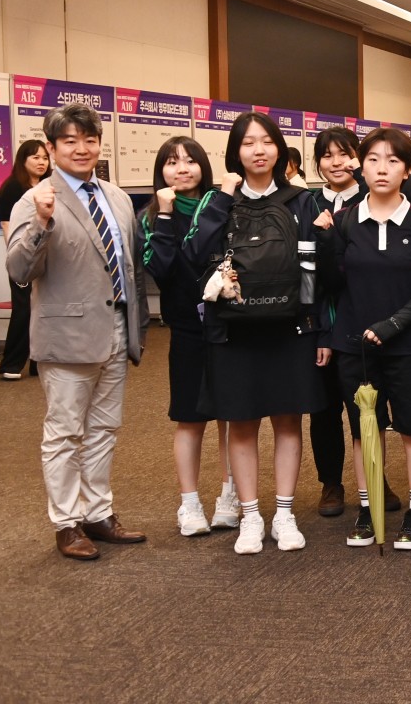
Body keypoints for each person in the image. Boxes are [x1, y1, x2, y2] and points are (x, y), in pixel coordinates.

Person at [6, 103, 149, 560]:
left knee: (104, 428)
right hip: (66, 337)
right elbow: (19, 270)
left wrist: (137, 326)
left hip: (116, 329)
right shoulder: (36, 199)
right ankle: (67, 523)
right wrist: (42, 223)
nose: (81, 148)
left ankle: (98, 513)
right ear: (51, 148)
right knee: (65, 432)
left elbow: (129, 266)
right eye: (69, 141)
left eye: (89, 140)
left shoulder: (117, 197)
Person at [185, 111, 328, 555]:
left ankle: (284, 513)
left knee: (288, 420)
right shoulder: (219, 200)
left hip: (291, 328)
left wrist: (317, 327)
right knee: (242, 423)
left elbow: (318, 272)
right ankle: (250, 515)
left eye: (267, 141)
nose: (259, 150)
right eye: (248, 143)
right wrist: (222, 197)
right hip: (234, 329)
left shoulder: (303, 201)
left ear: (280, 149)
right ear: (235, 152)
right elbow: (194, 254)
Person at [315, 128, 411, 550]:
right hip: (355, 344)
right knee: (364, 428)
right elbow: (333, 283)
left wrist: (393, 324)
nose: (382, 168)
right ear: (361, 166)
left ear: (407, 170)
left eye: (393, 160)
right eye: (373, 159)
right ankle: (368, 507)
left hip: (410, 344)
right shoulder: (345, 221)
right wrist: (326, 242)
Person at [143, 137, 238, 537]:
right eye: (171, 162)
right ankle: (190, 503)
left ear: (203, 166)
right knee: (190, 418)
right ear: (160, 171)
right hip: (185, 328)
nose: (181, 169)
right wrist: (165, 215)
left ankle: (231, 495)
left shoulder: (223, 203)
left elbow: (207, 252)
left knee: (232, 417)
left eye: (189, 161)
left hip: (228, 323)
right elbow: (162, 269)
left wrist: (222, 197)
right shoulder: (152, 216)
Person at [308, 126, 371, 517]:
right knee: (324, 408)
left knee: (366, 407)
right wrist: (319, 328)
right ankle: (330, 483)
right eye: (327, 155)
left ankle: (374, 480)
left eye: (345, 153)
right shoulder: (308, 204)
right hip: (320, 322)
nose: (336, 162)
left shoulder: (372, 200)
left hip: (363, 320)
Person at [0, 139, 50, 380]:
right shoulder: (13, 187)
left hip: (47, 258)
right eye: (35, 157)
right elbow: (7, 225)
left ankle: (39, 362)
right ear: (23, 160)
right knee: (23, 309)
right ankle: (11, 364)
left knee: (45, 309)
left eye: (45, 158)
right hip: (24, 258)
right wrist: (18, 256)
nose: (41, 162)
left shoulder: (50, 186)